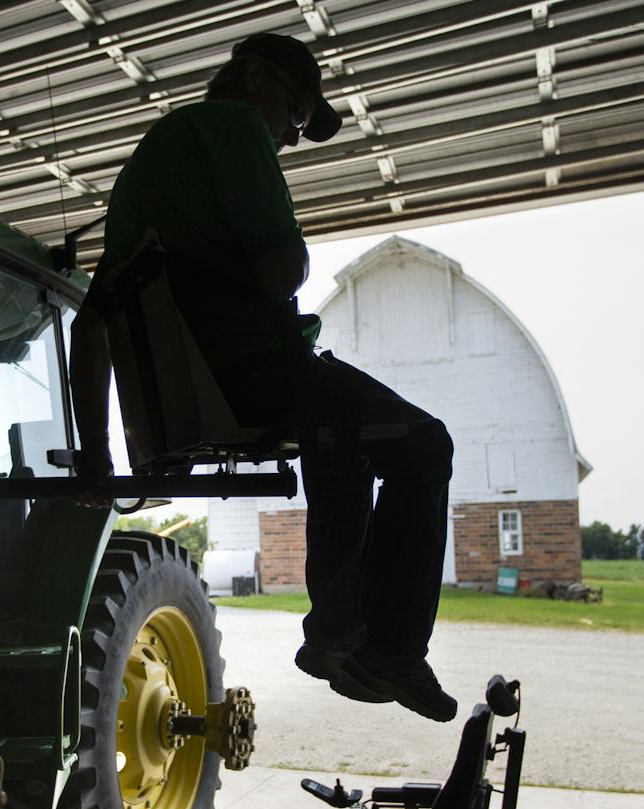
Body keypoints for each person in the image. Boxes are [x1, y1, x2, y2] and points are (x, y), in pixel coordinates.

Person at [70, 33, 457, 722]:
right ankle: (375, 643)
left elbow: (88, 325)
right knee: (425, 444)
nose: (292, 136)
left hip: (200, 392)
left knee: (352, 422)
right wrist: (298, 260)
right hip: (251, 375)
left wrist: (97, 458)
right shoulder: (231, 124)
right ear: (254, 77)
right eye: (297, 114)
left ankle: (347, 632)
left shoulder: (144, 179)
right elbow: (282, 269)